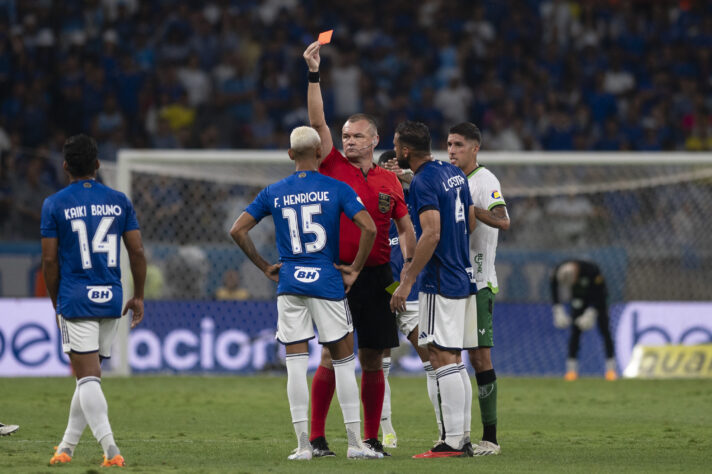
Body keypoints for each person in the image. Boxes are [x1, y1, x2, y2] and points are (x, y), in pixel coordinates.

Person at [230, 126, 383, 460]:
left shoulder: (273, 192)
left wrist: (264, 266)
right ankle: (356, 444)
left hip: (290, 283)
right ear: (318, 154)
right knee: (343, 362)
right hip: (327, 282)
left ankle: (302, 446)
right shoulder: (337, 187)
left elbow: (237, 229)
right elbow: (369, 227)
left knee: (296, 366)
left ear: (289, 155)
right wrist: (355, 268)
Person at [303, 41, 416, 457]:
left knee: (374, 358)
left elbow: (406, 228)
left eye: (356, 136)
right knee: (334, 357)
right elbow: (317, 122)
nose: (348, 141)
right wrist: (314, 74)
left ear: (374, 140)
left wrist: (406, 274)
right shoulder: (332, 166)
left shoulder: (389, 180)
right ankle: (317, 438)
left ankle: (370, 438)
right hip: (337, 273)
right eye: (345, 135)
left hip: (378, 275)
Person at [41, 134, 146, 467]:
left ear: (65, 167)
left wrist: (57, 300)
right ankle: (66, 448)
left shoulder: (54, 204)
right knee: (89, 378)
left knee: (87, 378)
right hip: (110, 298)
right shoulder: (118, 200)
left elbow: (49, 261)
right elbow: (137, 251)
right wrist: (139, 296)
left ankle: (111, 449)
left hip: (76, 297)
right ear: (98, 165)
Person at [389, 121, 477, 458]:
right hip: (462, 274)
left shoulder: (425, 181)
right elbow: (468, 221)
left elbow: (432, 233)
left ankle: (452, 442)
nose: (395, 151)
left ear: (406, 150)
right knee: (453, 357)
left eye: (397, 146)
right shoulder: (450, 172)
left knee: (441, 355)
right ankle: (462, 438)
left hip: (439, 281)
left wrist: (408, 278)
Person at [447, 122, 509, 456]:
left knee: (480, 357)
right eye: (448, 144)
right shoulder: (451, 179)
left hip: (480, 281)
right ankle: (456, 434)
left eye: (458, 144)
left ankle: (491, 438)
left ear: (475, 148)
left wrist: (471, 210)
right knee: (451, 355)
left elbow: (503, 220)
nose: (452, 150)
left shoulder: (485, 181)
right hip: (455, 280)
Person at [376, 151, 440, 450]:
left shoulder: (420, 204)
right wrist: (391, 288)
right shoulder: (373, 206)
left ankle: (444, 430)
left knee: (432, 360)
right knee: (380, 363)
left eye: (396, 171)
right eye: (385, 171)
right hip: (382, 292)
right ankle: (386, 431)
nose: (392, 178)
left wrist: (406, 284)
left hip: (414, 294)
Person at [551, 260, 617, 381]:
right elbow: (554, 286)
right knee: (575, 333)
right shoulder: (559, 270)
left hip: (597, 301)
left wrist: (591, 311)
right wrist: (557, 308)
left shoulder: (592, 270)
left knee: (605, 331)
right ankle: (571, 371)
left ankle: (611, 370)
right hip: (579, 301)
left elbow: (602, 293)